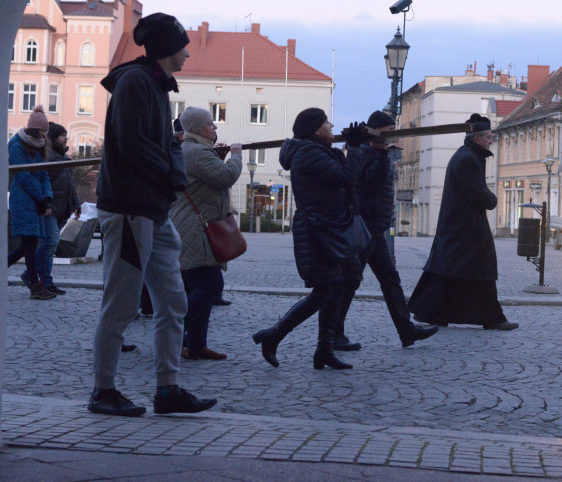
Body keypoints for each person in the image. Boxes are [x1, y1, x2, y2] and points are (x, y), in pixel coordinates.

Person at [89, 12, 217, 417]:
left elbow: (168, 141)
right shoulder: (135, 83)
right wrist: (170, 175)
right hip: (131, 209)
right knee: (121, 304)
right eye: (183, 45)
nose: (187, 53)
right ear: (166, 47)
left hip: (153, 210)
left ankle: (167, 388)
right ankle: (103, 391)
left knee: (173, 300)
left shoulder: (154, 85)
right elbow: (133, 144)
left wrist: (171, 171)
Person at [252, 108, 369, 370]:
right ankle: (274, 335)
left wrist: (353, 147)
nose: (331, 125)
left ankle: (324, 350)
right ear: (316, 129)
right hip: (318, 230)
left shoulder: (318, 151)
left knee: (339, 286)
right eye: (327, 122)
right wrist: (353, 148)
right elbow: (346, 178)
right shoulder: (308, 153)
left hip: (332, 228)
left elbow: (344, 173)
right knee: (323, 292)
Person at [335, 110, 439, 351]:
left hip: (375, 229)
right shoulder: (364, 154)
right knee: (351, 281)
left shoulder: (377, 153)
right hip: (365, 229)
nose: (394, 135)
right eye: (389, 130)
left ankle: (406, 330)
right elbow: (372, 184)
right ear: (377, 131)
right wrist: (382, 155)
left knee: (390, 280)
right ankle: (334, 333)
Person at [408, 113, 518, 331]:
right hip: (465, 227)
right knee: (477, 272)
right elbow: (478, 194)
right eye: (488, 137)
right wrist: (493, 199)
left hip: (460, 225)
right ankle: (491, 318)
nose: (490, 140)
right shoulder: (468, 159)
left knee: (451, 272)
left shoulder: (466, 155)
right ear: (477, 138)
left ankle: (435, 312)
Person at [169, 106, 243, 361]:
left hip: (193, 226)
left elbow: (209, 179)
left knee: (198, 286)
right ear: (199, 128)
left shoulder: (193, 150)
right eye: (211, 124)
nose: (215, 128)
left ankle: (196, 344)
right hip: (195, 228)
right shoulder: (197, 152)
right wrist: (235, 155)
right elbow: (225, 177)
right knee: (212, 285)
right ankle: (174, 334)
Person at [7, 106, 56, 300]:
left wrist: (47, 198)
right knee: (29, 242)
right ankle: (35, 285)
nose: (43, 136)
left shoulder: (39, 145)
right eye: (42, 131)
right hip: (23, 199)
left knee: (27, 244)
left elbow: (44, 174)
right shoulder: (17, 145)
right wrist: (41, 197)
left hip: (34, 200)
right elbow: (24, 177)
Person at [29, 122, 80, 295]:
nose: (66, 138)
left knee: (50, 247)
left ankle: (46, 281)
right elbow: (42, 182)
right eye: (62, 135)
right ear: (53, 138)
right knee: (51, 242)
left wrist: (75, 204)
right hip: (49, 208)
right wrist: (46, 203)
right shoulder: (47, 157)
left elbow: (70, 185)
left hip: (61, 208)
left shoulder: (64, 158)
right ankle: (30, 273)